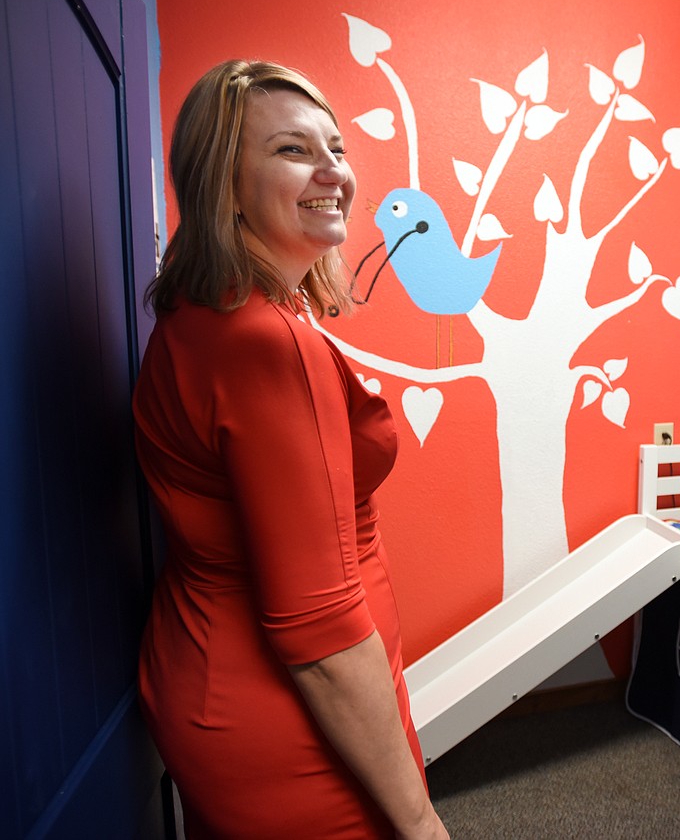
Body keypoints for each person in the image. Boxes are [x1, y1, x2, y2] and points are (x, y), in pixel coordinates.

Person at [133, 60, 449, 839]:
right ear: (223, 184)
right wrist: (420, 821)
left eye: (335, 148)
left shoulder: (206, 311)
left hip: (205, 673)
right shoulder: (265, 342)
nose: (333, 171)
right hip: (285, 715)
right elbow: (319, 630)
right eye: (292, 150)